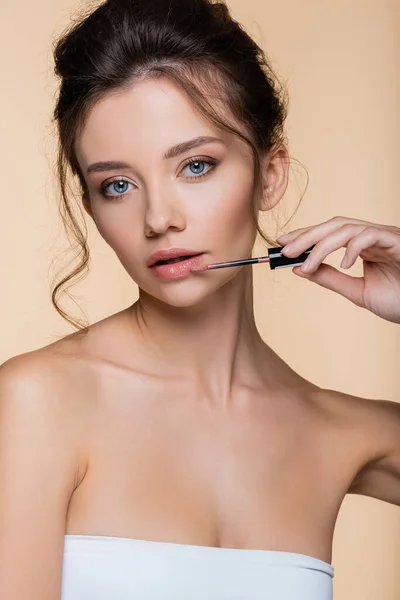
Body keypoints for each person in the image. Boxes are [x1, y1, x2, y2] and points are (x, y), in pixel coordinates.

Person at [0, 0, 399, 598]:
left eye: (195, 165)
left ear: (269, 175)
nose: (159, 218)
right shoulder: (39, 401)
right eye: (117, 185)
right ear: (90, 206)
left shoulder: (342, 432)